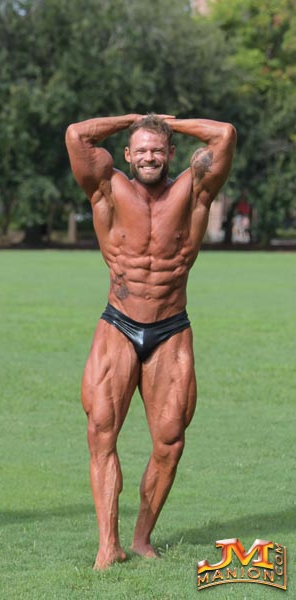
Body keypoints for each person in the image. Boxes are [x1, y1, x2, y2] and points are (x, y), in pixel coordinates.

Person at [65, 114, 236, 569]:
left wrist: (168, 123)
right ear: (127, 154)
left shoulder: (193, 190)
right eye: (140, 149)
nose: (149, 157)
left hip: (170, 329)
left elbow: (224, 135)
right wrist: (133, 119)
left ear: (171, 153)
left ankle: (141, 538)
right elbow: (77, 135)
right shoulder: (107, 187)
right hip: (118, 324)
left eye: (157, 149)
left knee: (170, 441)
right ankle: (108, 544)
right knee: (101, 432)